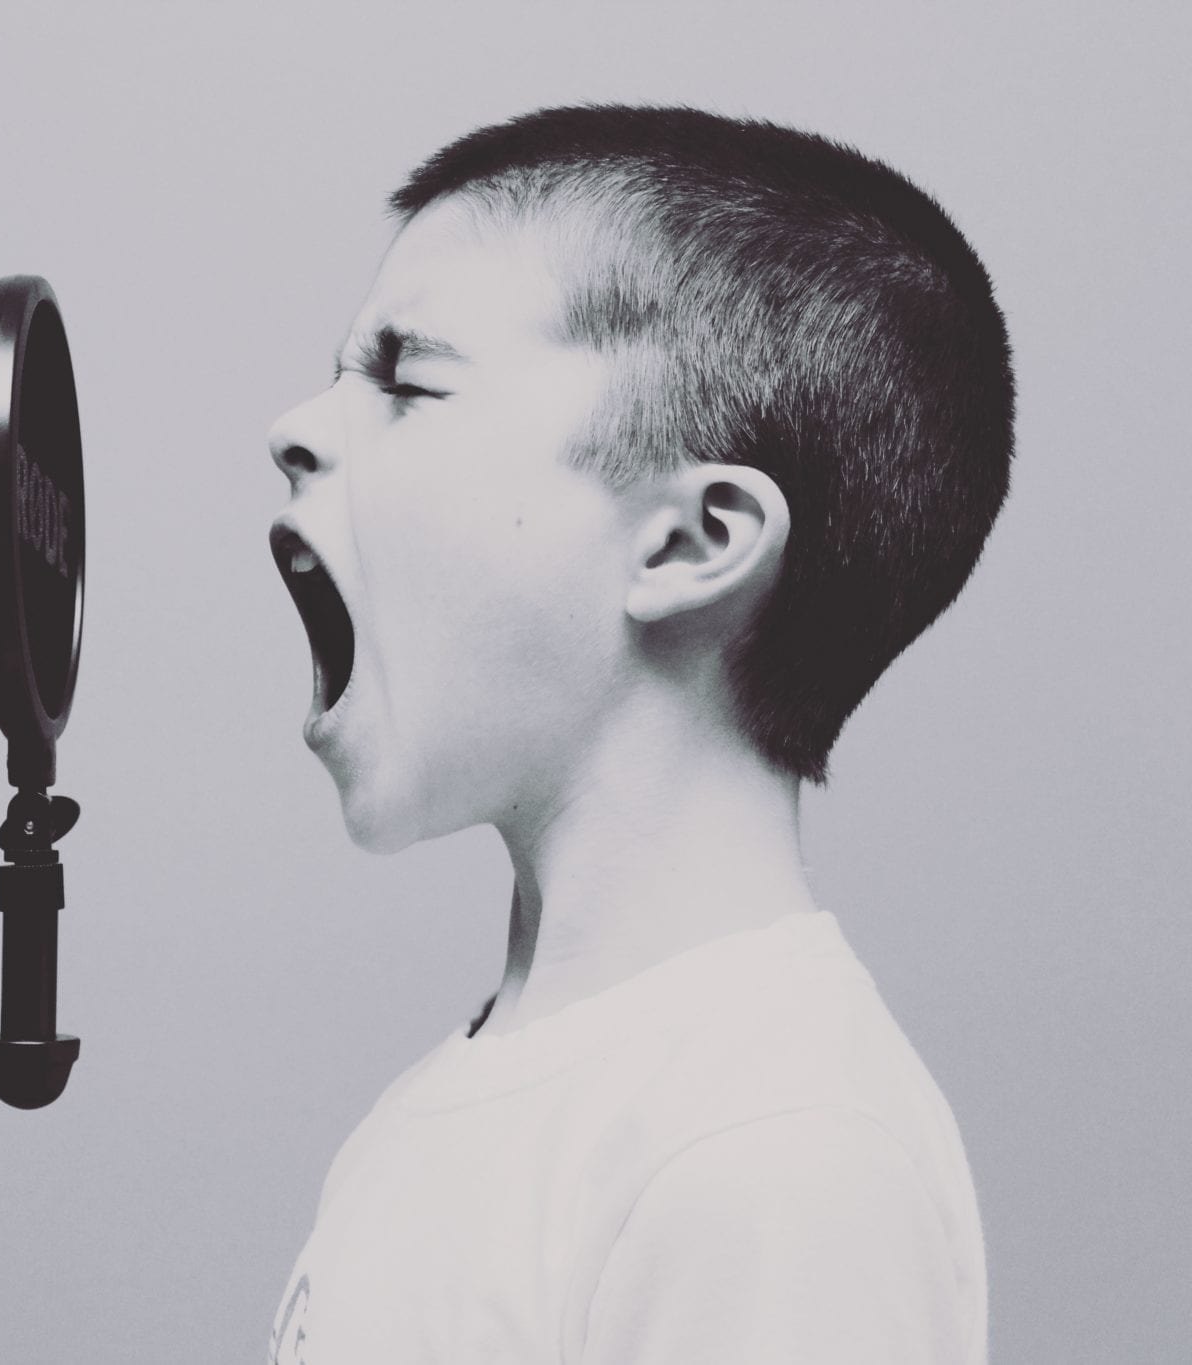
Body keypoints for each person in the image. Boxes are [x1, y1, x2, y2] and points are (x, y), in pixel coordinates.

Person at [265, 105, 1011, 1364]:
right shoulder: (470, 1099)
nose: (295, 428)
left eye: (405, 380)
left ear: (688, 541)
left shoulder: (771, 1157)